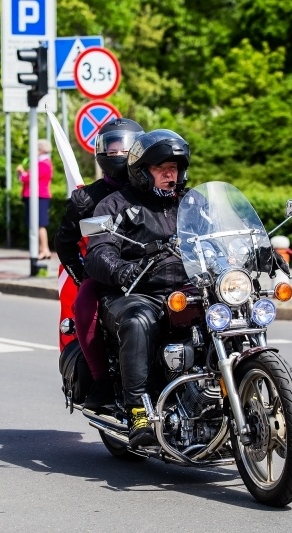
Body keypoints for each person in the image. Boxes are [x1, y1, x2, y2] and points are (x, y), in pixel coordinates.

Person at [84, 129, 191, 447]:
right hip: (135, 292)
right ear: (143, 172)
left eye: (175, 167)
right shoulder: (115, 205)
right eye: (162, 168)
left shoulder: (191, 204)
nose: (170, 174)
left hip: (186, 291)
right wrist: (123, 270)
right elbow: (98, 252)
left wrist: (259, 253)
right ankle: (138, 410)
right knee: (138, 321)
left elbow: (220, 236)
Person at [54, 118, 145, 409]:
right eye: (112, 146)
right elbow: (64, 243)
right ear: (101, 152)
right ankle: (102, 382)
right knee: (84, 303)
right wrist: (84, 276)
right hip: (110, 272)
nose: (118, 151)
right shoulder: (86, 200)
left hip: (158, 269)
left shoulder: (153, 188)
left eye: (125, 145)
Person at [17, 139, 53, 259]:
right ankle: (41, 249)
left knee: (39, 224)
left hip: (39, 196)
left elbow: (29, 178)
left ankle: (45, 249)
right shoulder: (41, 163)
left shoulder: (43, 164)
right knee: (36, 224)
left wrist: (22, 173)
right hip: (35, 196)